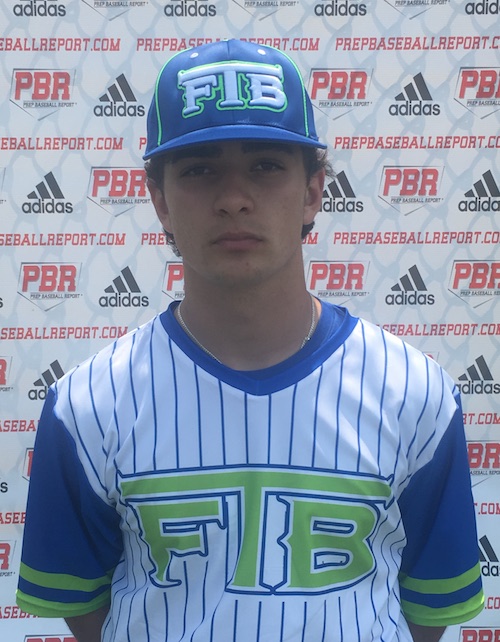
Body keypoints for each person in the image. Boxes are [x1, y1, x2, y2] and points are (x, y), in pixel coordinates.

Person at [17, 39, 483, 642]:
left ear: (313, 191)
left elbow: (429, 606)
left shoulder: (415, 393)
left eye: (265, 166)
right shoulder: (86, 405)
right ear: (159, 200)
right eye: (199, 169)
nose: (234, 199)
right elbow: (82, 604)